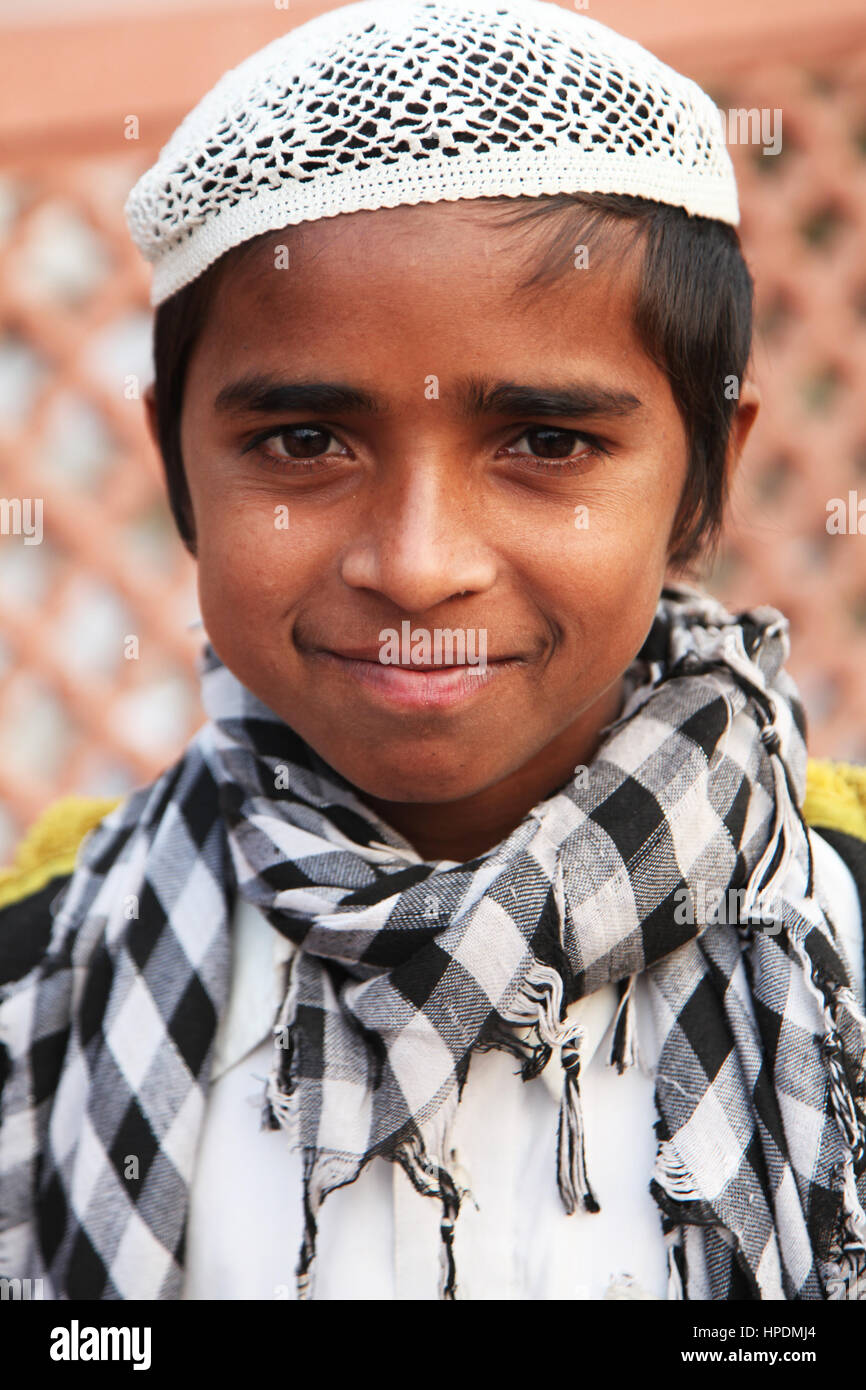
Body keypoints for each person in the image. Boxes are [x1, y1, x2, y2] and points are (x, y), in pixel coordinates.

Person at [2, 0, 866, 1302]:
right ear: (176, 457)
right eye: (304, 441)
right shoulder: (46, 971)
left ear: (706, 471)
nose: (414, 561)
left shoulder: (839, 924)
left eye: (546, 442)